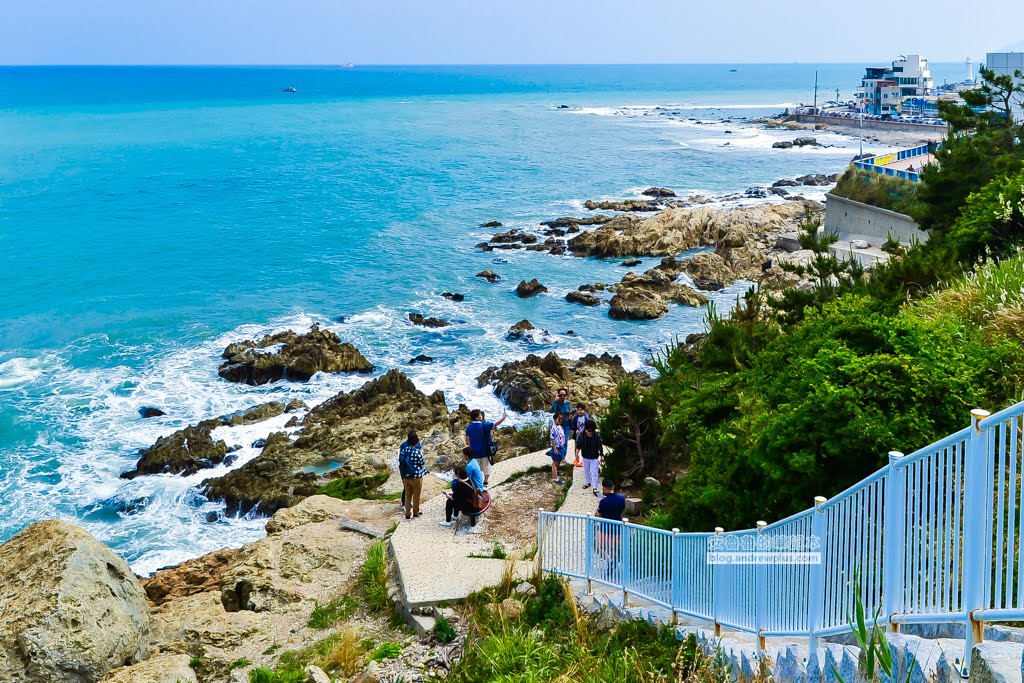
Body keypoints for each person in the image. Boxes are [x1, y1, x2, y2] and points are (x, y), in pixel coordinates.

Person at [466, 407, 506, 487]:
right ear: (477, 417)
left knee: (477, 469)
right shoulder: (485, 425)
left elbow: (468, 440)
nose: (481, 416)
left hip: (475, 453)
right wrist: (503, 418)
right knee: (486, 467)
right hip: (485, 452)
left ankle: (477, 484)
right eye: (480, 414)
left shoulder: (469, 428)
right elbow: (495, 425)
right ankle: (485, 482)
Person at [399, 430, 428, 520]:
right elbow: (422, 462)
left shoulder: (404, 449)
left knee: (408, 495)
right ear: (416, 441)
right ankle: (415, 512)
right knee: (416, 495)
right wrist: (421, 453)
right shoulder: (417, 451)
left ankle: (407, 513)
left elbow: (400, 460)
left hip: (406, 476)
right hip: (416, 476)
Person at [576, 419, 604, 494]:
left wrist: (602, 455)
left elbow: (600, 446)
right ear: (586, 429)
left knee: (594, 472)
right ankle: (587, 482)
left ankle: (595, 487)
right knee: (586, 470)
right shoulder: (582, 435)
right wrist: (576, 454)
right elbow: (578, 446)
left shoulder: (597, 435)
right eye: (589, 431)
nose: (590, 433)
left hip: (594, 456)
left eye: (592, 431)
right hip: (585, 456)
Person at [547, 413, 567, 484]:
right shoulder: (553, 428)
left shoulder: (560, 427)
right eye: (559, 419)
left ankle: (556, 472)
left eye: (561, 419)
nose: (560, 420)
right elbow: (553, 439)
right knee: (555, 463)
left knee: (559, 461)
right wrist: (555, 449)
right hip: (556, 448)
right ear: (555, 419)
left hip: (561, 447)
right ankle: (555, 478)